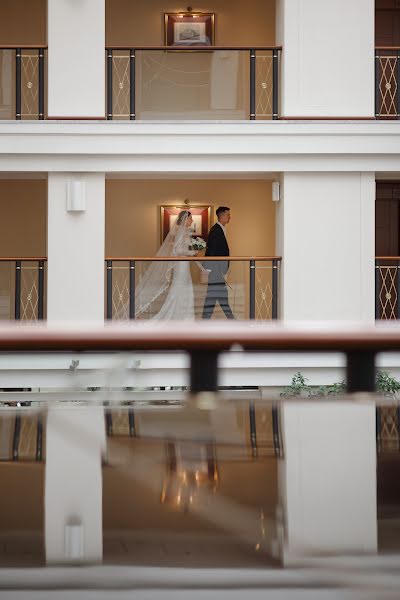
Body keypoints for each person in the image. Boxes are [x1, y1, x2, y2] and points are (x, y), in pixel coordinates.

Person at [135, 210, 197, 320]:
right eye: (190, 218)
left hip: (184, 264)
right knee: (180, 287)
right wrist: (191, 253)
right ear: (185, 219)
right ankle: (179, 316)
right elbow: (177, 250)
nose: (192, 220)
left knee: (184, 287)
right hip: (181, 264)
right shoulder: (181, 231)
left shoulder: (184, 231)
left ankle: (183, 315)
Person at [202, 206, 234, 319]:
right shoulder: (215, 230)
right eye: (228, 215)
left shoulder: (219, 229)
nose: (230, 217)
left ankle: (205, 321)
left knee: (217, 297)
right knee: (218, 296)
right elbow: (212, 251)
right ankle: (232, 320)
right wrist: (213, 271)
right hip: (216, 271)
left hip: (218, 271)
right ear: (222, 216)